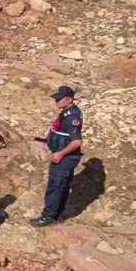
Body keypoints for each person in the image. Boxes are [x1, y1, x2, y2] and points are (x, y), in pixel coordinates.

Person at [30, 86, 83, 227]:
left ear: (69, 99)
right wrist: (51, 134)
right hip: (63, 155)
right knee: (61, 186)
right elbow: (62, 130)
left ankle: (48, 217)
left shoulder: (73, 117)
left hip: (65, 158)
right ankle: (57, 215)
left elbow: (77, 141)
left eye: (59, 99)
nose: (56, 102)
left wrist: (60, 153)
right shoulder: (66, 112)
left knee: (56, 186)